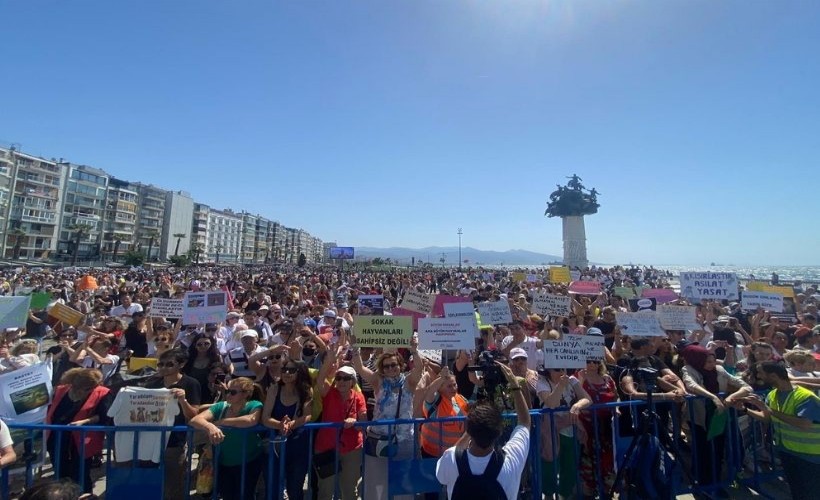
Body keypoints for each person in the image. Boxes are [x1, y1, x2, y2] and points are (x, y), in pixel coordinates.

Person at [435, 360, 530, 500]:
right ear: (498, 432)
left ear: (470, 429)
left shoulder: (451, 457)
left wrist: (471, 428)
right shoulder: (511, 460)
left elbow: (441, 478)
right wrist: (515, 385)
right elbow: (525, 422)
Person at [352, 341, 423, 500]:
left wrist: (414, 350)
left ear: (400, 365)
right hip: (380, 438)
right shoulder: (379, 382)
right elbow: (360, 369)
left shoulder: (409, 382)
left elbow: (419, 368)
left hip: (404, 438)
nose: (390, 368)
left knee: (403, 480)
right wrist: (355, 347)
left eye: (393, 365)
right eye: (386, 366)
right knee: (378, 480)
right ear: (382, 369)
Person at [743, 361, 820, 500]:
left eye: (760, 373)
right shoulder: (772, 395)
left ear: (773, 376)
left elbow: (805, 424)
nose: (758, 376)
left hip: (810, 455)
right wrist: (745, 410)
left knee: (812, 493)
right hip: (787, 452)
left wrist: (769, 410)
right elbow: (767, 418)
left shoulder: (805, 397)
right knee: (798, 491)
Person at [680, 344, 752, 490]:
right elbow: (691, 385)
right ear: (697, 361)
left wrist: (732, 397)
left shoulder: (719, 369)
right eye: (708, 362)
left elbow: (745, 386)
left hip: (719, 415)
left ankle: (716, 481)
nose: (712, 365)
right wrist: (712, 397)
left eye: (713, 361)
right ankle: (702, 482)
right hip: (700, 417)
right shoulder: (688, 369)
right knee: (703, 449)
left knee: (718, 448)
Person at [189, 377, 264, 500]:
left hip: (248, 461)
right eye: (228, 391)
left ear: (246, 394)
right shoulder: (220, 406)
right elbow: (195, 420)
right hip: (223, 461)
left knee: (245, 495)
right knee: (227, 495)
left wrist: (222, 422)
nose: (228, 394)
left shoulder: (254, 404)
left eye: (233, 392)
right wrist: (210, 427)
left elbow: (250, 420)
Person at [143, 348, 201, 500]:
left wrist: (183, 400)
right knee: (150, 482)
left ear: (181, 364)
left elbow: (193, 415)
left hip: (175, 441)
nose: (163, 368)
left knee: (174, 484)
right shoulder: (151, 383)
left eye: (169, 364)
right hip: (150, 441)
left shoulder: (191, 383)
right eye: (160, 364)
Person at [45, 368, 111, 492]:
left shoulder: (102, 393)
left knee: (80, 474)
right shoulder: (60, 390)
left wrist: (85, 421)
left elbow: (104, 416)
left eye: (87, 389)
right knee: (60, 474)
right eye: (80, 389)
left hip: (82, 440)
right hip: (56, 438)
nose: (83, 392)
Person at [314, 351, 366, 500]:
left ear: (353, 382)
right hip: (326, 447)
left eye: (346, 378)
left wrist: (355, 422)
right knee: (325, 490)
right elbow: (320, 378)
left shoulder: (359, 396)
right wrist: (329, 360)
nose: (341, 381)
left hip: (351, 448)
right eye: (338, 378)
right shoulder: (329, 393)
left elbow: (363, 421)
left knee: (350, 490)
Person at [536, 367, 592, 499]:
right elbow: (551, 403)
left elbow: (588, 399)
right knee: (549, 464)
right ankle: (548, 495)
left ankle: (563, 495)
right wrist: (561, 385)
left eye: (563, 369)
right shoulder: (542, 382)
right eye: (556, 370)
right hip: (550, 430)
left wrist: (577, 406)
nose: (561, 372)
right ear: (548, 371)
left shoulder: (572, 380)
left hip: (571, 429)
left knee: (570, 466)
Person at [262, 359, 313, 500]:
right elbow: (265, 417)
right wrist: (280, 425)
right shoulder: (274, 389)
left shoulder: (306, 390)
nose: (287, 373)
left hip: (297, 444)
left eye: (291, 370)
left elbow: (308, 415)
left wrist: (292, 424)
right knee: (272, 487)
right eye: (284, 370)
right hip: (275, 445)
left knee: (295, 488)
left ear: (299, 372)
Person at [576, 357, 618, 497]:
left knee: (607, 461)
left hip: (606, 428)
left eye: (595, 361)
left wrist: (616, 407)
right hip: (587, 427)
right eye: (588, 361)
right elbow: (576, 396)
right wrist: (581, 379)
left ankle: (607, 491)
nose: (592, 364)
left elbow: (615, 396)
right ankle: (589, 492)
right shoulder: (578, 377)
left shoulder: (607, 379)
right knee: (588, 462)